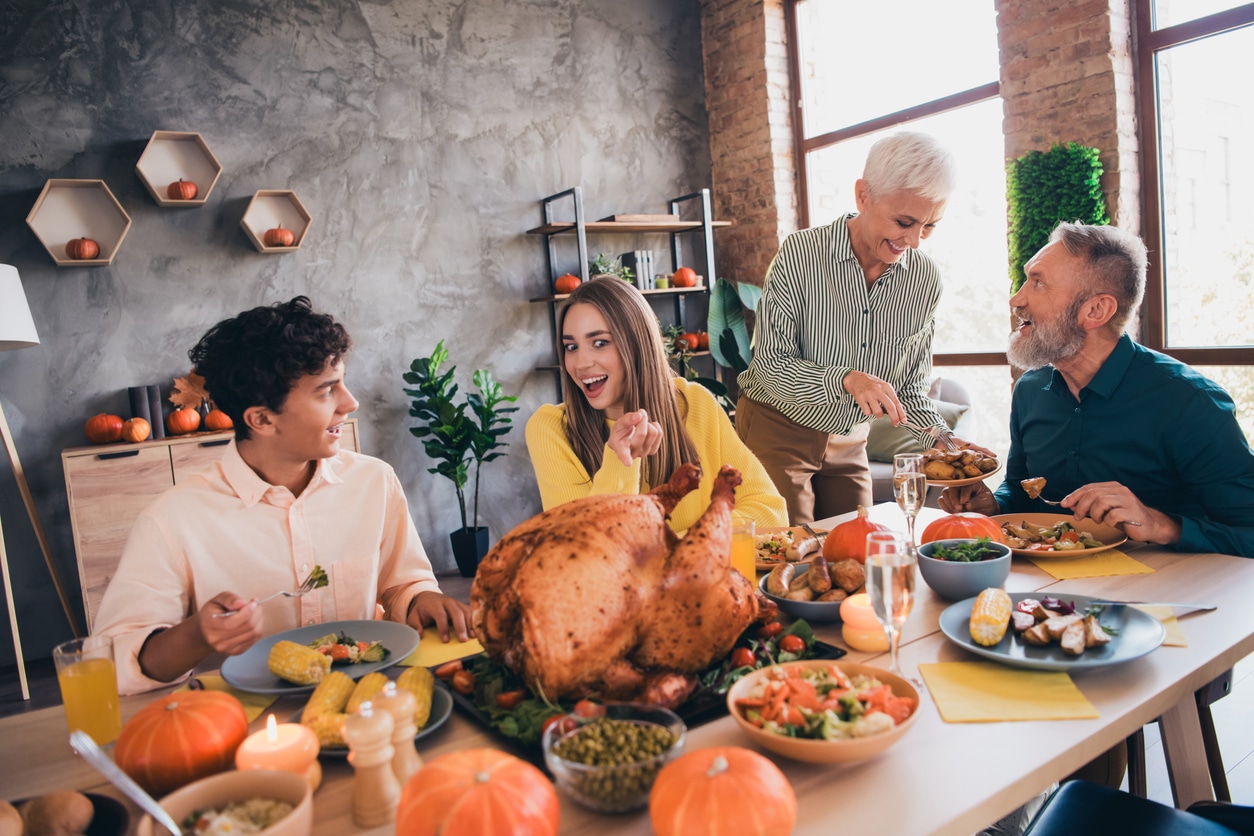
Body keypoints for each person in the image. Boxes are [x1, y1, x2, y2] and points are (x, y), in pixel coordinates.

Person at [93, 297, 474, 695]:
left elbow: (401, 586)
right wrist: (198, 635)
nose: (350, 403)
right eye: (327, 391)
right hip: (238, 730)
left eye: (342, 382)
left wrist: (422, 598)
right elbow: (114, 664)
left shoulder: (374, 482)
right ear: (261, 419)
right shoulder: (172, 520)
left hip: (369, 704)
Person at [940, 222, 1254, 558]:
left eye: (1039, 283)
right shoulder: (1030, 391)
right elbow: (1020, 492)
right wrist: (992, 505)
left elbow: (1247, 534)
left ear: (1096, 310)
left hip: (1160, 595)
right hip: (1045, 594)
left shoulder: (1190, 403)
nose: (1016, 299)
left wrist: (1160, 524)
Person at [736, 131, 974, 524]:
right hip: (776, 426)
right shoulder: (801, 254)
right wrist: (848, 379)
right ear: (863, 195)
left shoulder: (923, 279)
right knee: (788, 553)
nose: (914, 241)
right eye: (904, 221)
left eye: (930, 226)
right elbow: (770, 366)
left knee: (863, 548)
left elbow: (910, 388)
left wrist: (944, 441)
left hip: (850, 438)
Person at [526, 277, 788, 532]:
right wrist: (620, 462)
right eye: (570, 347)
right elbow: (589, 553)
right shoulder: (552, 429)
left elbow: (769, 510)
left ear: (637, 344)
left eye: (600, 343)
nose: (580, 363)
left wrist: (673, 546)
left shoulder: (695, 403)